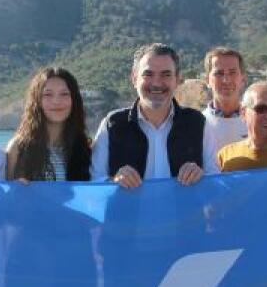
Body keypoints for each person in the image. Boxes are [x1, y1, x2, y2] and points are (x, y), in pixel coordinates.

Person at [90, 43, 218, 187]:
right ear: (134, 78)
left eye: (166, 74)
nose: (156, 83)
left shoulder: (198, 124)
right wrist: (114, 181)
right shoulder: (112, 125)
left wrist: (201, 176)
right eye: (148, 74)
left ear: (177, 80)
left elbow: (215, 183)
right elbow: (95, 182)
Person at [6, 67, 92, 181]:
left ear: (74, 100)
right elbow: (6, 195)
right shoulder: (18, 148)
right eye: (48, 94)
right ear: (37, 101)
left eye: (64, 94)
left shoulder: (86, 148)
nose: (56, 101)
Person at [202, 47, 249, 155]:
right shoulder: (197, 124)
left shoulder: (256, 122)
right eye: (219, 73)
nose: (226, 80)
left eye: (232, 73)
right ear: (207, 80)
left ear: (242, 79)